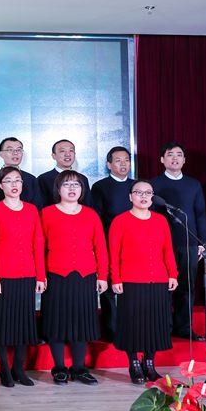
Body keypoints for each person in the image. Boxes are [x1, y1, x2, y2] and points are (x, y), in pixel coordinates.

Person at [40, 170, 108, 385]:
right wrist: (40, 275)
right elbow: (39, 247)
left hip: (85, 275)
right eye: (67, 184)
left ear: (82, 189)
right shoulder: (47, 213)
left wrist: (102, 275)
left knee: (82, 322)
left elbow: (101, 247)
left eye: (76, 185)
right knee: (57, 322)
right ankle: (59, 368)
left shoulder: (91, 214)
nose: (72, 188)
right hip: (56, 275)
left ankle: (79, 368)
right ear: (58, 189)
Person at [109, 181, 179, 384]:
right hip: (130, 280)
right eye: (138, 192)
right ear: (130, 197)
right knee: (132, 323)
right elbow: (114, 252)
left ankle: (149, 363)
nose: (144, 196)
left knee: (155, 323)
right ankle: (134, 363)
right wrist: (115, 278)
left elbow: (167, 249)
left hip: (158, 279)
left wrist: (172, 274)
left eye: (148, 193)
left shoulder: (160, 220)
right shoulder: (120, 221)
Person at [0, 166, 46, 388]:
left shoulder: (31, 210)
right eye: (9, 181)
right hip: (3, 276)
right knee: (2, 323)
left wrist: (40, 275)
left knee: (24, 323)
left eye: (18, 180)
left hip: (27, 274)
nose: (14, 185)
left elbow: (38, 243)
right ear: (0, 186)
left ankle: (18, 369)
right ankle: (4, 369)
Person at [149, 142, 206, 342]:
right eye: (170, 154)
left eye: (179, 154)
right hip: (161, 245)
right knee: (163, 287)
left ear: (184, 160)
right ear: (162, 159)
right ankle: (163, 328)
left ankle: (184, 328)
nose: (175, 158)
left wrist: (201, 243)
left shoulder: (194, 185)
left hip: (189, 243)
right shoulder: (153, 184)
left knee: (186, 287)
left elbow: (200, 214)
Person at [90, 146, 135, 341]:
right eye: (118, 160)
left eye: (126, 160)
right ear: (109, 165)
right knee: (109, 289)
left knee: (131, 287)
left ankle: (131, 327)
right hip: (109, 244)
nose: (123, 164)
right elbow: (97, 219)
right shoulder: (100, 187)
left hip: (134, 246)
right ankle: (111, 330)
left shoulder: (137, 186)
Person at [0, 137, 43, 210]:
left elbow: (38, 206)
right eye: (10, 150)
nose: (15, 153)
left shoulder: (31, 179)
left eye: (19, 150)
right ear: (1, 154)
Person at [38, 139, 94, 208]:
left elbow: (88, 206)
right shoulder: (43, 179)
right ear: (53, 155)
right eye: (62, 151)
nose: (68, 154)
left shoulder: (82, 179)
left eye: (71, 150)